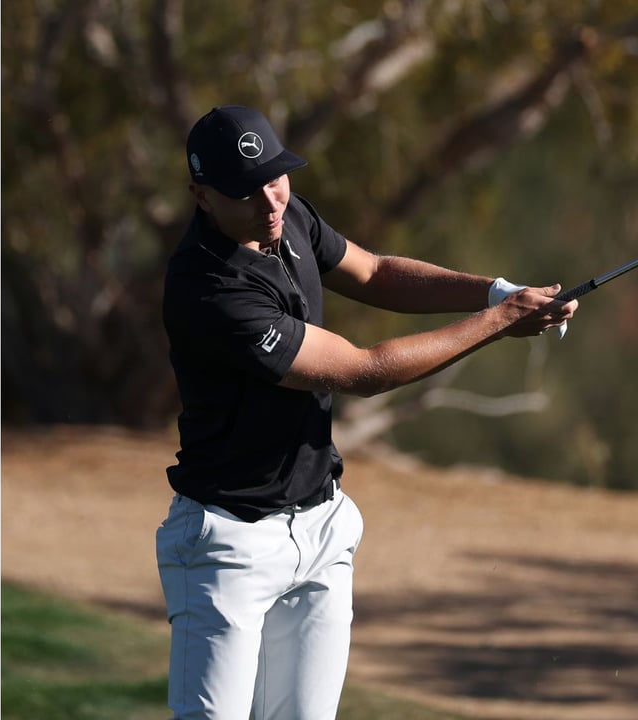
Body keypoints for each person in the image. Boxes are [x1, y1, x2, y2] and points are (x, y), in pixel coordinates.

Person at [157, 104, 575, 720]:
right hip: (228, 544)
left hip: (321, 529)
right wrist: (499, 323)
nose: (270, 202)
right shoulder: (208, 288)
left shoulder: (286, 214)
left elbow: (376, 272)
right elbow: (363, 371)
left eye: (277, 179)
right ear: (201, 196)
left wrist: (496, 292)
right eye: (247, 192)